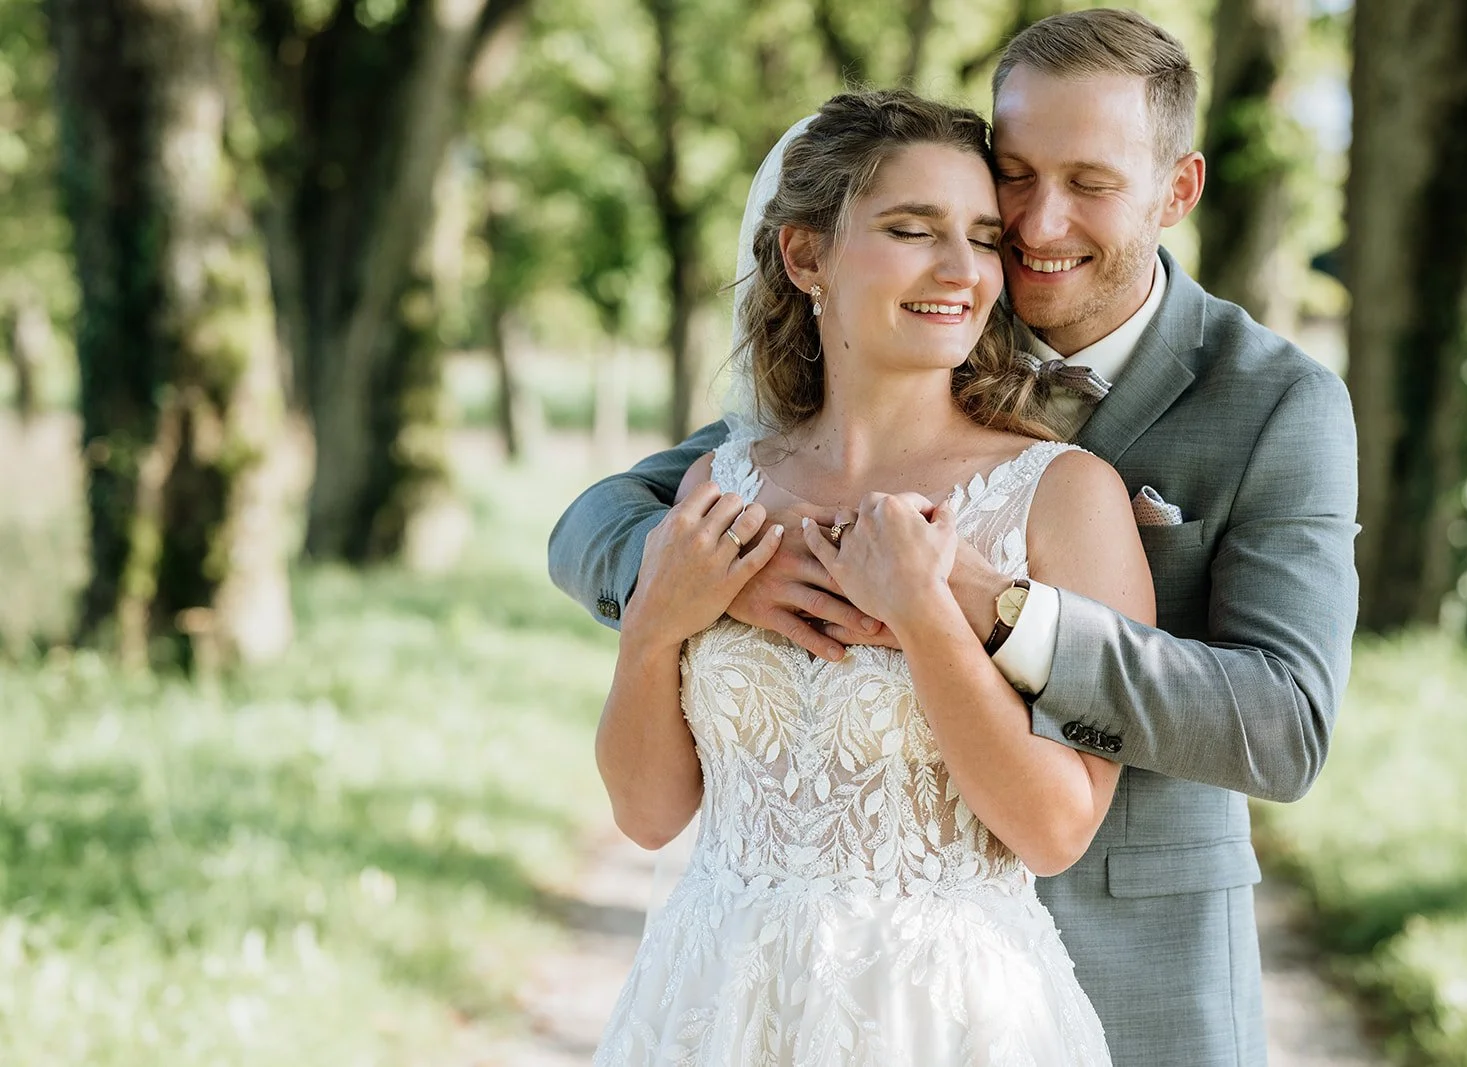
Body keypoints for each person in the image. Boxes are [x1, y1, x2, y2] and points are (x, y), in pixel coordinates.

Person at [553, 10, 1360, 1066]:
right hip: (759, 989)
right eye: (1013, 175)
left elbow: (1285, 721)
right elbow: (599, 520)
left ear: (1177, 191)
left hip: (1117, 964)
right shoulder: (919, 323)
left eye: (1089, 182)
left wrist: (1000, 610)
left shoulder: (1271, 403)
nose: (1030, 225)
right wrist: (717, 582)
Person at [587, 88, 1153, 1064]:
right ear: (804, 255)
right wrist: (654, 622)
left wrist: (925, 612)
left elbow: (1055, 829)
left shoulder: (1061, 495)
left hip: (942, 1017)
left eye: (982, 237)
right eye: (911, 229)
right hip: (714, 1001)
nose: (960, 270)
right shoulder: (719, 484)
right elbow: (647, 814)